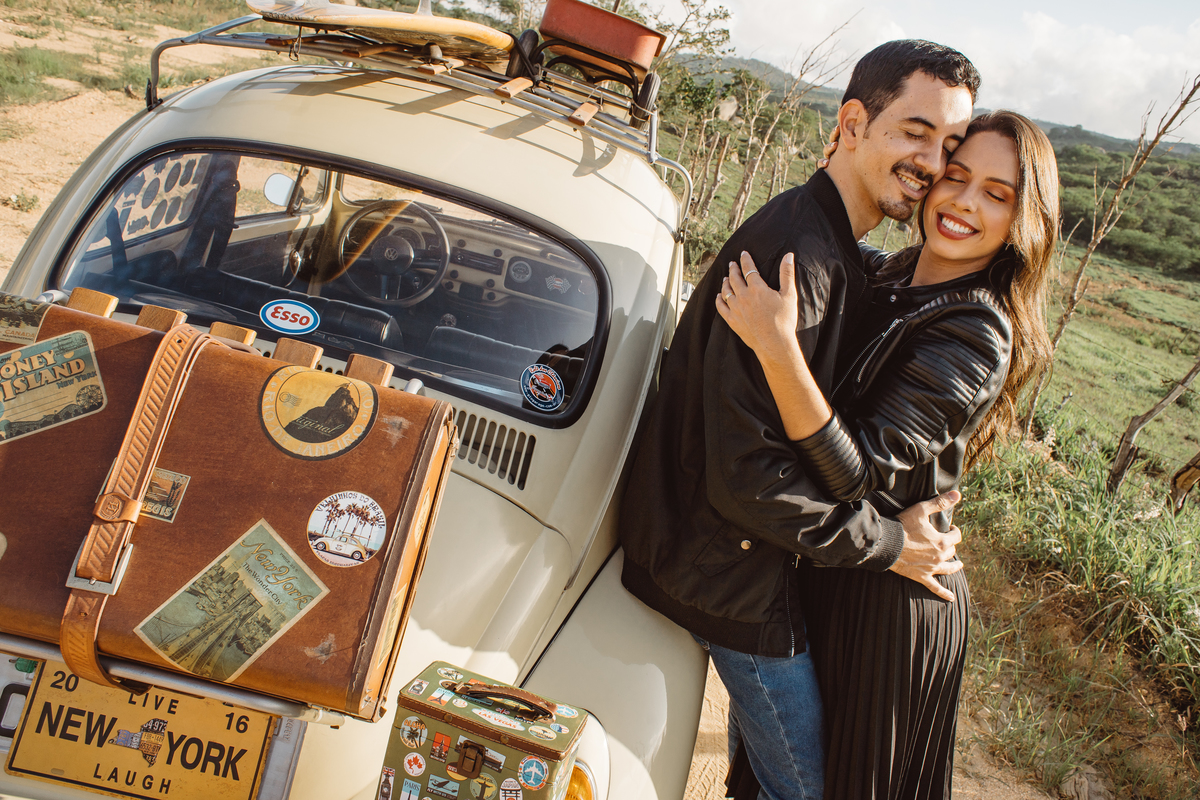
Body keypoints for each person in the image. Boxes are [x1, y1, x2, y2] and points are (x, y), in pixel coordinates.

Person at [618, 40, 980, 800]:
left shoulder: (836, 246)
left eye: (949, 145)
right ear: (851, 124)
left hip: (752, 562)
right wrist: (889, 545)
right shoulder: (798, 261)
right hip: (729, 574)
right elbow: (751, 478)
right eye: (915, 132)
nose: (932, 162)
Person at [717, 109, 1060, 799]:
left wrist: (778, 349)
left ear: (1024, 222)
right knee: (767, 772)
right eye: (955, 177)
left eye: (996, 194)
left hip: (888, 602)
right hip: (841, 564)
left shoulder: (974, 330)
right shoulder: (896, 272)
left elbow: (857, 473)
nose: (964, 202)